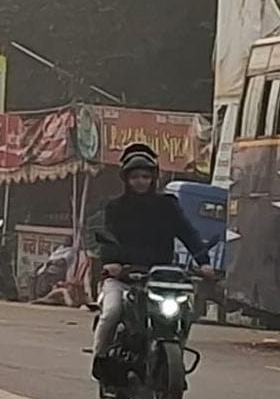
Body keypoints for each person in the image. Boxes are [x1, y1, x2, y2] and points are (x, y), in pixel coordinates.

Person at [91, 143, 214, 379]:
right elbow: (108, 239)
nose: (140, 181)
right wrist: (113, 264)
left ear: (153, 178)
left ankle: (172, 348)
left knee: (185, 312)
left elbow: (188, 232)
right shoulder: (115, 207)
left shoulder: (167, 206)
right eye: (135, 176)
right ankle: (101, 358)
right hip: (124, 278)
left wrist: (204, 261)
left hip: (160, 279)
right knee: (112, 312)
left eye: (146, 176)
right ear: (126, 179)